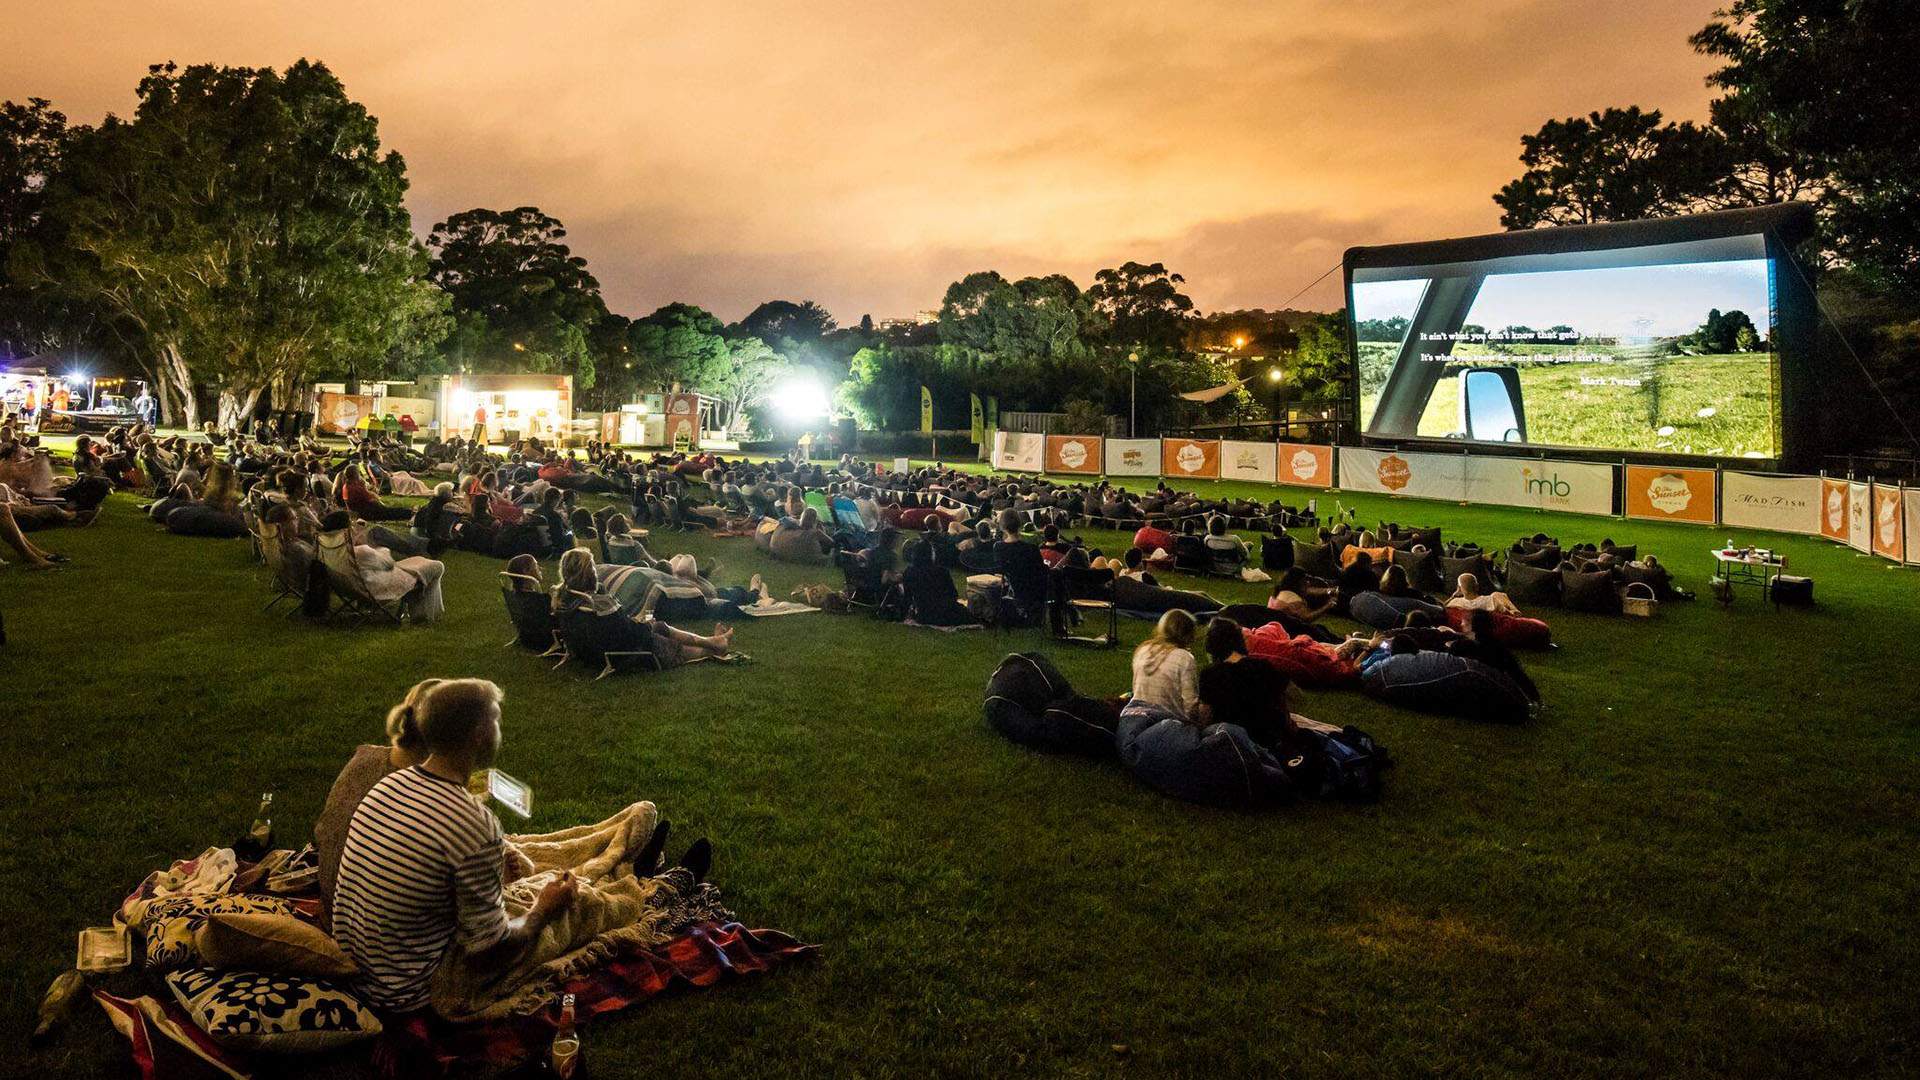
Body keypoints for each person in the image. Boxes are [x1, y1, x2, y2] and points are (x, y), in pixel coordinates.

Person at [331, 680, 577, 1013]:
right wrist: (544, 909)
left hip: (359, 972)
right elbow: (489, 951)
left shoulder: (388, 785)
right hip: (408, 992)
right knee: (571, 906)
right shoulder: (474, 823)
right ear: (479, 733)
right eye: (496, 720)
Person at [1197, 617, 1295, 752]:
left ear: (1212, 646)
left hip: (1234, 742)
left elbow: (1205, 715)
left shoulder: (1211, 675)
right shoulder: (1264, 666)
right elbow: (1282, 703)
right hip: (1270, 738)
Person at [1130, 609, 1201, 722]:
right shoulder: (1184, 657)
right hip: (1166, 721)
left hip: (1136, 714)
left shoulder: (1143, 650)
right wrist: (1193, 725)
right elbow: (1191, 702)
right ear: (1188, 634)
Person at [901, 538, 975, 626]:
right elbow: (953, 595)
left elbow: (907, 598)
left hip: (924, 615)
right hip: (945, 614)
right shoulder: (941, 571)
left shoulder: (909, 572)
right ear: (931, 554)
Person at [1446, 572, 1522, 615]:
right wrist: (1513, 612)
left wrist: (1452, 596)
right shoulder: (1491, 601)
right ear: (1477, 586)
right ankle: (1515, 609)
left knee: (1496, 594)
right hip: (1492, 625)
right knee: (1497, 594)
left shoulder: (1455, 603)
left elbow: (1443, 607)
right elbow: (1508, 615)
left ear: (1459, 589)